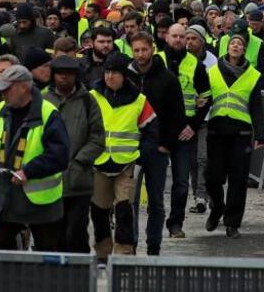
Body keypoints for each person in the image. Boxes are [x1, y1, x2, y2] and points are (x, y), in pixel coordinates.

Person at [0, 64, 70, 251]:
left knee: (48, 253)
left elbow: (60, 155)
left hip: (42, 204)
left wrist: (29, 171)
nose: (2, 94)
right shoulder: (0, 110)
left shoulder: (48, 113)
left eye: (7, 89)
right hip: (6, 197)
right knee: (1, 248)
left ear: (24, 87)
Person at [89, 52, 157, 258]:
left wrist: (141, 156)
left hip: (127, 164)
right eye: (107, 72)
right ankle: (102, 253)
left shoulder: (139, 100)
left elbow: (151, 132)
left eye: (115, 73)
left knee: (124, 211)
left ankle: (124, 253)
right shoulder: (92, 97)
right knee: (99, 212)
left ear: (124, 75)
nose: (110, 76)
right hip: (98, 163)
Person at [126, 30, 184, 255]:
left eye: (144, 49)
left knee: (156, 201)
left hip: (157, 148)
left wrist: (166, 145)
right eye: (136, 50)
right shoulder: (127, 77)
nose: (140, 54)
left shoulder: (167, 79)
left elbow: (177, 115)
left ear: (152, 49)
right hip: (130, 147)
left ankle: (153, 246)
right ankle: (131, 243)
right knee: (129, 201)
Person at [43, 54, 104, 255]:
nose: (64, 77)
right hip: (50, 181)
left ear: (76, 76)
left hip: (79, 181)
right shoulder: (43, 100)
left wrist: (79, 161)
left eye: (69, 74)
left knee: (76, 233)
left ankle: (80, 269)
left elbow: (97, 138)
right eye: (60, 73)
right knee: (55, 235)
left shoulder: (87, 100)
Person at [205, 34, 264, 238]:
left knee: (238, 180)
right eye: (232, 43)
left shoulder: (253, 75)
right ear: (227, 47)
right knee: (212, 178)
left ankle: (232, 223)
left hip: (241, 133)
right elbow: (204, 100)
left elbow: (257, 106)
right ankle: (217, 207)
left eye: (239, 44)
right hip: (217, 131)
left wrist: (261, 134)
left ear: (244, 50)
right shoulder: (213, 71)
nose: (236, 46)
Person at [158, 22, 211, 239]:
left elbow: (206, 97)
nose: (179, 40)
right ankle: (155, 221)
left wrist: (194, 126)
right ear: (167, 37)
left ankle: (175, 223)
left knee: (181, 183)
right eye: (175, 36)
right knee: (155, 182)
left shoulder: (195, 65)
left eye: (183, 36)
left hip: (183, 131)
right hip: (159, 130)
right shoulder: (156, 61)